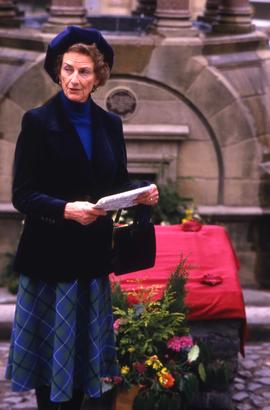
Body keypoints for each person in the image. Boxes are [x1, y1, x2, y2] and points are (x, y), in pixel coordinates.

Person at [5, 25, 159, 410]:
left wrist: (143, 191)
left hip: (90, 260)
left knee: (84, 369)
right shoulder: (37, 121)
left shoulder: (110, 125)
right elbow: (22, 195)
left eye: (84, 72)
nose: (74, 79)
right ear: (58, 71)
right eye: (68, 69)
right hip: (50, 260)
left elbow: (116, 180)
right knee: (51, 370)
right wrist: (64, 209)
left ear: (99, 77)